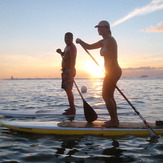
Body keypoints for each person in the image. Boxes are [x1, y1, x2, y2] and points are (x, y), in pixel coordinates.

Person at [76, 20, 122, 127]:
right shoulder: (104, 40)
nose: (98, 30)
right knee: (109, 96)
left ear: (107, 28)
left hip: (113, 71)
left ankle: (114, 121)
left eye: (100, 28)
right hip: (110, 72)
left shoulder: (110, 40)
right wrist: (81, 41)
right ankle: (114, 120)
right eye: (98, 28)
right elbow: (89, 47)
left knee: (106, 95)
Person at [56, 32, 77, 115]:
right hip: (66, 70)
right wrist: (61, 52)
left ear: (72, 39)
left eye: (68, 38)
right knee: (67, 90)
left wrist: (71, 70)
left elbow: (73, 59)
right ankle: (71, 107)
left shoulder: (72, 47)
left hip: (69, 70)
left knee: (68, 90)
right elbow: (66, 55)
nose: (66, 39)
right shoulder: (67, 47)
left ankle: (72, 109)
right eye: (65, 38)